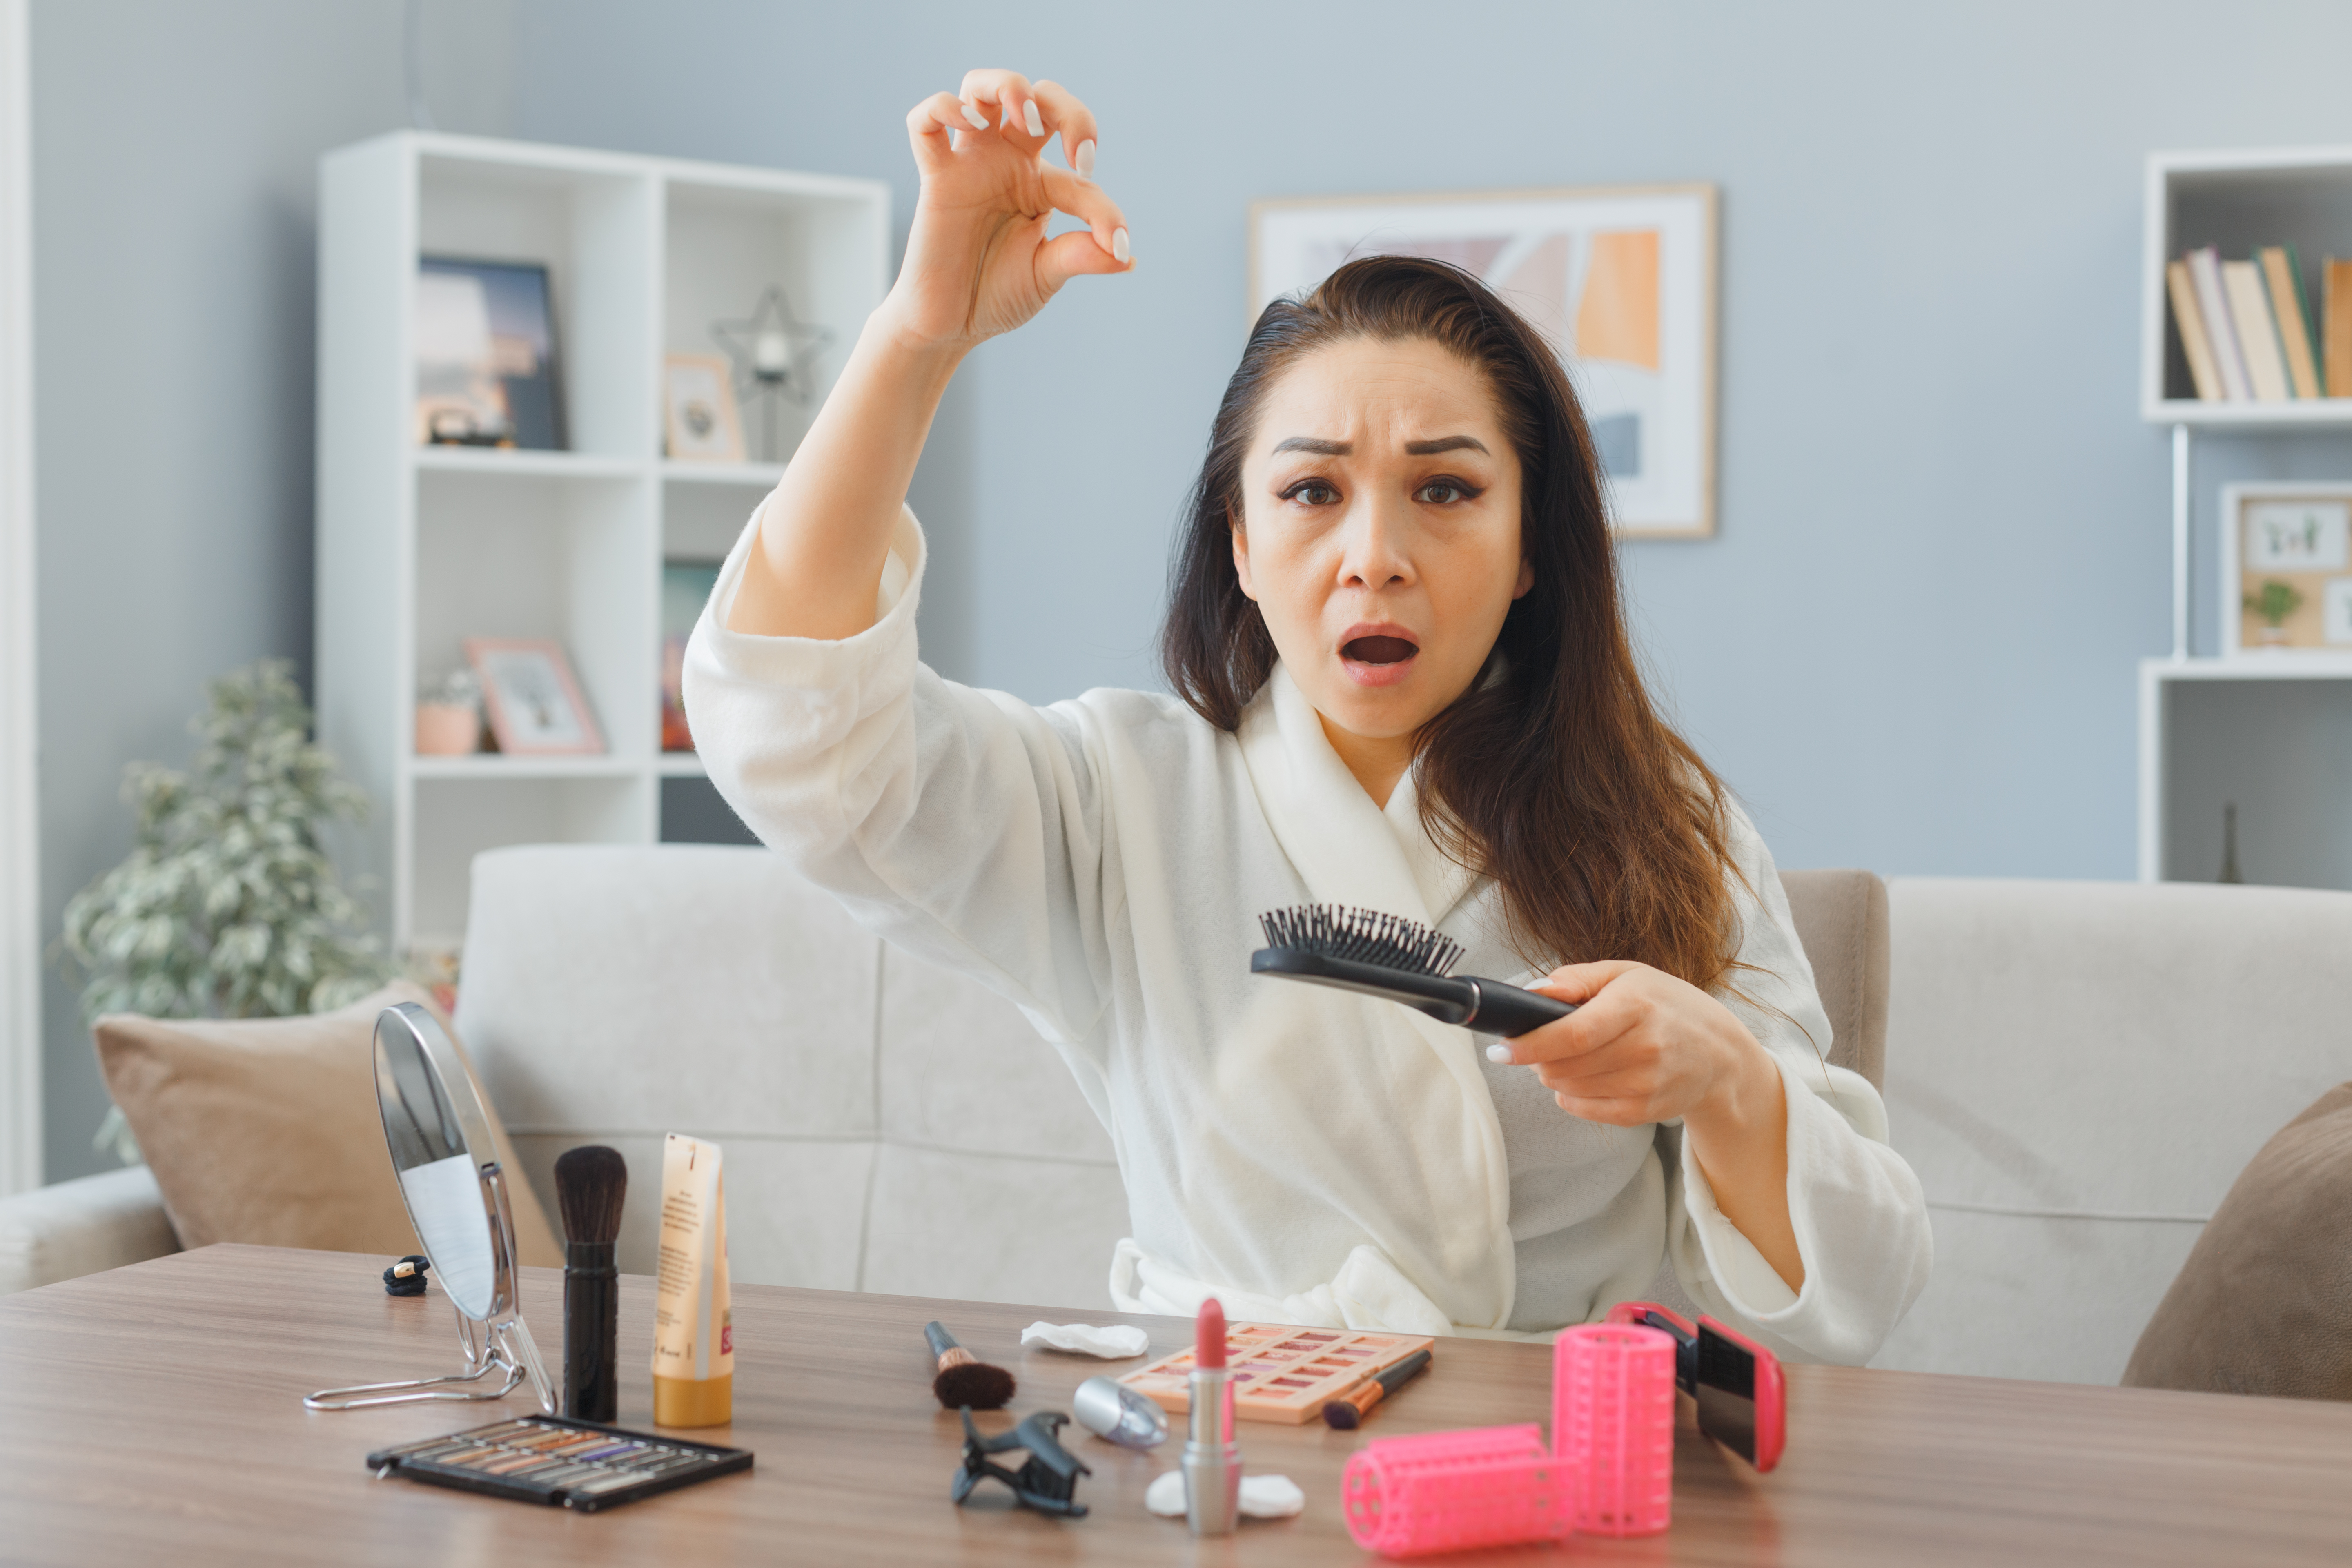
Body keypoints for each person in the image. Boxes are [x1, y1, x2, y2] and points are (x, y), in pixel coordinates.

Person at [686, 69, 1930, 1355]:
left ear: (1527, 551)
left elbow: (1866, 1286)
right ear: (1237, 540)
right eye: (1312, 494)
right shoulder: (1116, 795)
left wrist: (1725, 1077)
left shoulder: (1663, 819)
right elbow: (802, 728)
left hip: (1555, 1460)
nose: (1373, 554)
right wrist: (917, 333)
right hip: (1226, 1443)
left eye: (1444, 493)